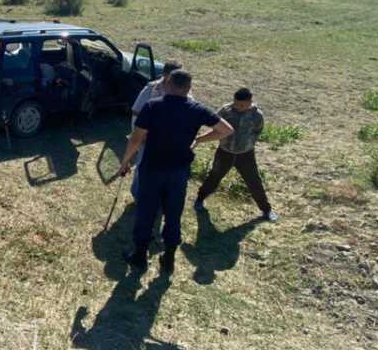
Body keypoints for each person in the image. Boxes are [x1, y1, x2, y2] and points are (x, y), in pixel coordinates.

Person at [119, 70, 233, 273]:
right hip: (179, 171)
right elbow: (226, 130)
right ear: (189, 88)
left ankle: (140, 256)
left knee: (146, 212)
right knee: (173, 213)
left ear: (168, 84)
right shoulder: (197, 108)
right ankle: (169, 258)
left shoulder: (152, 106)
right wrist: (199, 140)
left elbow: (136, 138)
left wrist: (125, 162)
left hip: (152, 168)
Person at [194, 88, 279, 222]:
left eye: (243, 105)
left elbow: (257, 131)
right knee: (214, 176)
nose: (239, 107)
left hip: (246, 154)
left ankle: (266, 210)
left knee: (254, 182)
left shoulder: (257, 116)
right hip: (224, 152)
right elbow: (216, 127)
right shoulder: (225, 111)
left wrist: (248, 143)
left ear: (250, 102)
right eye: (236, 104)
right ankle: (199, 199)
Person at [128, 60, 182, 199]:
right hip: (148, 138)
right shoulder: (151, 88)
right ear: (165, 74)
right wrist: (138, 135)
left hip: (170, 140)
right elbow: (136, 112)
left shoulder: (183, 88)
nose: (178, 78)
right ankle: (138, 194)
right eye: (175, 75)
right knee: (143, 166)